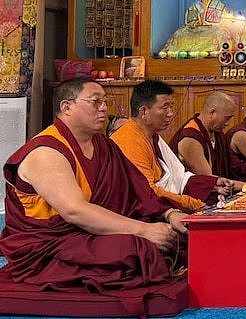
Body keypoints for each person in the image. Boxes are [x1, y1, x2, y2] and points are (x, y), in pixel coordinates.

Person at [0, 78, 187, 291]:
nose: (104, 108)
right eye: (95, 102)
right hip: (51, 245)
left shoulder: (103, 145)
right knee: (137, 252)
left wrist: (169, 214)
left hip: (88, 232)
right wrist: (143, 230)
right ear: (66, 107)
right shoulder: (46, 152)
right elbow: (75, 212)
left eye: (105, 102)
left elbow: (139, 192)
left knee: (177, 235)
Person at [111, 80, 233, 212]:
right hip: (144, 212)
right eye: (165, 107)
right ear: (144, 111)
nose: (170, 113)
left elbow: (179, 178)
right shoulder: (130, 140)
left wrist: (212, 184)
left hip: (164, 203)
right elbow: (148, 192)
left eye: (171, 107)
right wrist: (195, 205)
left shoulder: (153, 137)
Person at [169, 91, 246, 185]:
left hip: (220, 191)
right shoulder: (191, 137)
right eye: (227, 118)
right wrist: (245, 186)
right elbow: (208, 181)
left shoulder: (218, 134)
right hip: (196, 195)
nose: (228, 123)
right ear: (212, 112)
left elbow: (235, 165)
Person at [160, 0, 230, 55]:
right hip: (196, 28)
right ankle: (173, 52)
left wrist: (210, 23)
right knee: (180, 32)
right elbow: (189, 18)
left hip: (212, 28)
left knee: (220, 33)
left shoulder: (218, 5)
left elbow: (225, 19)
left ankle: (215, 52)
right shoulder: (196, 4)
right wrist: (195, 22)